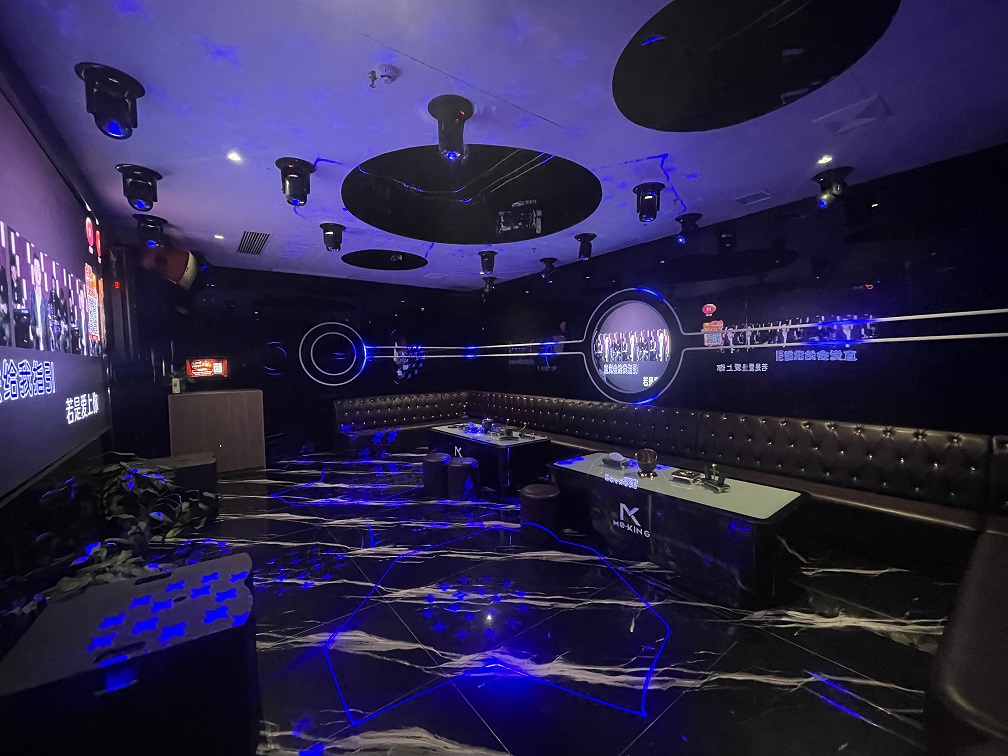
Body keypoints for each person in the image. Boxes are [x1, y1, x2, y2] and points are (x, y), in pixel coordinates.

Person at [27, 251, 49, 350]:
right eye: (36, 268)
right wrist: (34, 330)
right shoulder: (30, 297)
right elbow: (27, 322)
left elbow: (48, 327)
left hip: (46, 348)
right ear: (32, 272)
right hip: (34, 347)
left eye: (39, 269)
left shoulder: (46, 301)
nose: (38, 273)